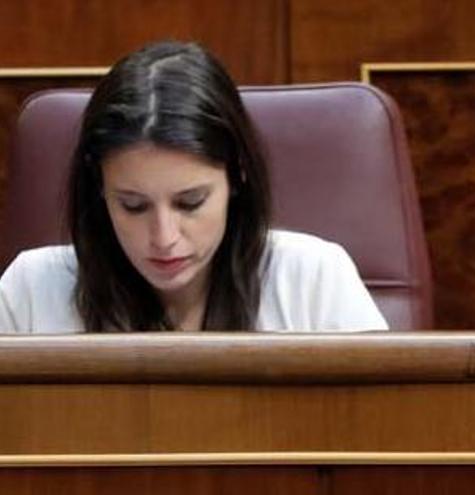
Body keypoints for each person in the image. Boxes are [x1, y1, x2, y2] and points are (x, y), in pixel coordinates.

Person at [0, 41, 387, 333]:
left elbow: (386, 431)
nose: (164, 238)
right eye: (134, 206)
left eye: (190, 202)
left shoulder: (313, 279)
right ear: (99, 187)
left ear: (237, 176)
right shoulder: (30, 291)